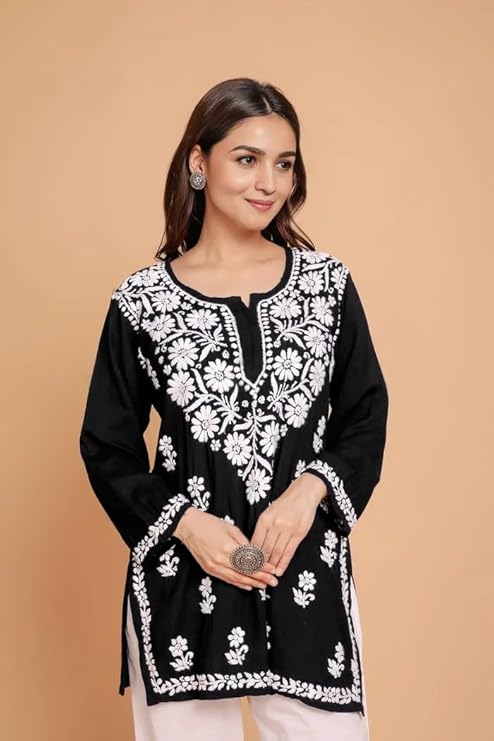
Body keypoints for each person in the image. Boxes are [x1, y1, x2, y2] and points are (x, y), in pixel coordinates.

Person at [79, 77, 389, 741]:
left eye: (284, 163)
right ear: (200, 161)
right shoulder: (142, 303)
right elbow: (107, 446)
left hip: (305, 577)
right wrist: (186, 524)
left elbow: (365, 413)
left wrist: (309, 490)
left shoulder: (327, 287)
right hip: (182, 582)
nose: (268, 182)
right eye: (247, 159)